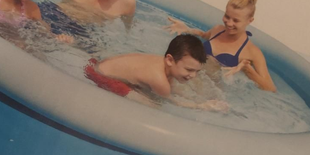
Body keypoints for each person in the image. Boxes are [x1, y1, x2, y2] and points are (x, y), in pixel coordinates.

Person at [166, 0, 276, 92]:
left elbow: (270, 88)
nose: (229, 23)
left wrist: (247, 70)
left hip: (206, 91)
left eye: (236, 20)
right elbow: (204, 35)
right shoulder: (217, 30)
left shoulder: (252, 52)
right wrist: (187, 29)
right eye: (227, 17)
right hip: (185, 77)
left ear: (250, 20)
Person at [85, 34, 228, 111]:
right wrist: (201, 106)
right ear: (170, 60)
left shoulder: (163, 64)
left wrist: (196, 97)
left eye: (197, 71)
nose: (193, 75)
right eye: (189, 70)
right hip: (100, 75)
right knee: (154, 106)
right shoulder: (160, 81)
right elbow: (173, 102)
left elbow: (173, 87)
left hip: (99, 63)